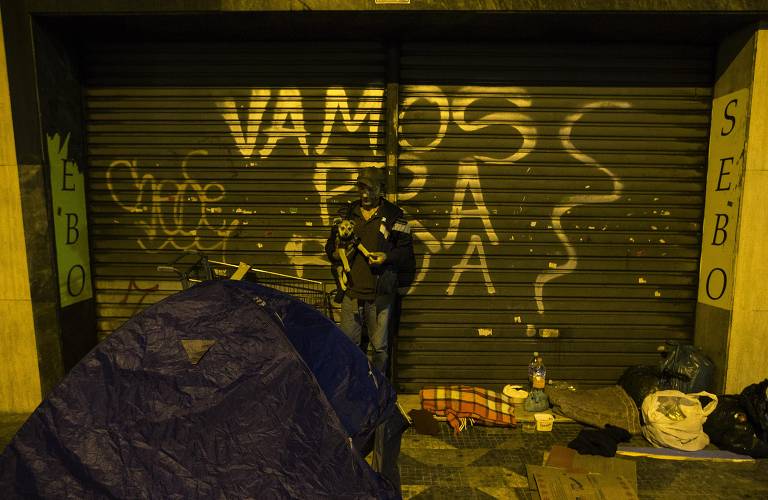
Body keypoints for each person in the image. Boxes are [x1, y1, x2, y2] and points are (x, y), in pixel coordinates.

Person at [325, 166, 415, 375]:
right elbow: (330, 245)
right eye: (361, 188)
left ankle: (377, 390)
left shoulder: (394, 215)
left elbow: (406, 253)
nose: (365, 194)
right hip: (351, 292)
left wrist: (387, 257)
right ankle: (354, 389)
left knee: (379, 349)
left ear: (380, 189)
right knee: (348, 346)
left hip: (380, 292)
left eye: (371, 189)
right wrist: (334, 254)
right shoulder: (346, 213)